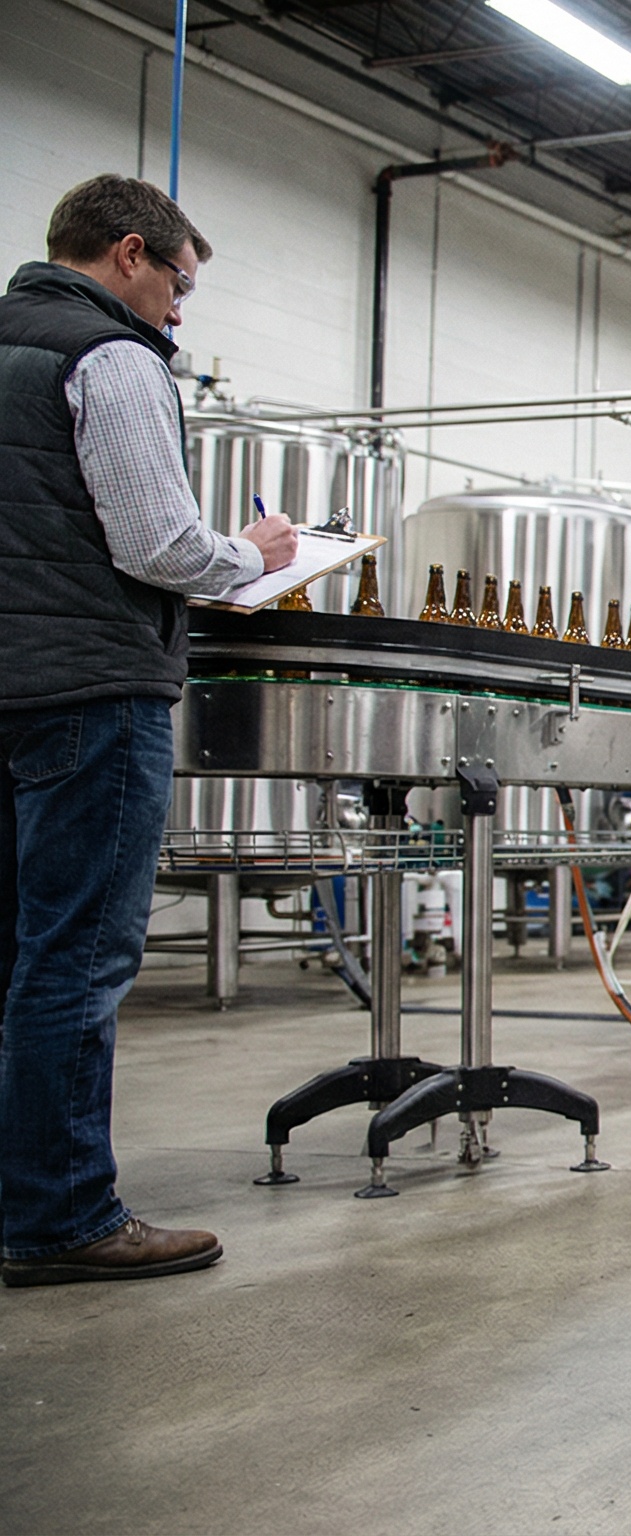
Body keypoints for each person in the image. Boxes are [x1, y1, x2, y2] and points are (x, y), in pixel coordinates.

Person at [0, 174, 295, 1288]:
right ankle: (64, 1216)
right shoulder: (109, 359)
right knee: (74, 959)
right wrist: (256, 559)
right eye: (179, 285)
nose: (180, 311)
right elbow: (160, 544)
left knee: (13, 958)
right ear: (131, 254)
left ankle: (22, 1196)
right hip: (88, 692)